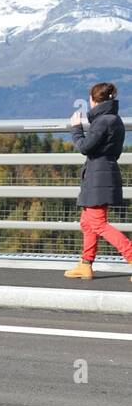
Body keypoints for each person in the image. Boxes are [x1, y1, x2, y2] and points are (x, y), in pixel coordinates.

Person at [64, 82, 132, 280]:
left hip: (98, 176)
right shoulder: (115, 120)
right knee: (87, 223)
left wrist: (76, 129)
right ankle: (85, 265)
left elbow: (85, 147)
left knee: (99, 224)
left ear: (93, 101)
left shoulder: (102, 122)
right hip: (103, 173)